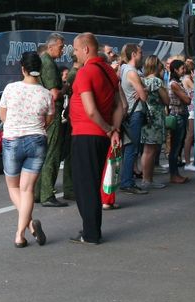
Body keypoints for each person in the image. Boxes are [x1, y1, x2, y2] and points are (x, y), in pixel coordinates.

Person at [68, 32, 125, 245]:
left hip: (85, 135)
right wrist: (114, 129)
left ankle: (90, 233)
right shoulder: (109, 71)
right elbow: (121, 105)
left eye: (75, 50)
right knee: (92, 182)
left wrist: (109, 129)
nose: (74, 54)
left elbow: (90, 110)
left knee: (86, 185)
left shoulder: (85, 73)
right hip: (101, 137)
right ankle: (91, 230)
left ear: (85, 49)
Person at [0, 51, 53, 248]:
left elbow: (3, 116)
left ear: (23, 68)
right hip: (37, 140)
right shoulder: (46, 94)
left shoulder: (10, 89)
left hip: (12, 140)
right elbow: (48, 120)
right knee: (27, 189)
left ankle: (26, 230)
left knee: (14, 187)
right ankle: (22, 232)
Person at [37, 33, 72, 208]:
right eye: (60, 46)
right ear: (51, 47)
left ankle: (38, 192)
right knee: (52, 153)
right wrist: (66, 86)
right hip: (52, 113)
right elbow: (54, 93)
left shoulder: (44, 61)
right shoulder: (49, 64)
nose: (62, 50)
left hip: (44, 113)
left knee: (43, 153)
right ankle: (47, 195)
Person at [117, 43, 148, 195]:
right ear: (134, 54)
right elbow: (143, 96)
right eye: (140, 52)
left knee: (129, 149)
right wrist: (143, 88)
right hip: (134, 113)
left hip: (128, 113)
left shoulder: (122, 69)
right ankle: (127, 182)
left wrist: (142, 88)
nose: (142, 55)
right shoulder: (132, 72)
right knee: (132, 149)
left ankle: (126, 180)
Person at [138, 55, 170, 191]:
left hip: (147, 117)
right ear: (157, 66)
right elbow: (167, 100)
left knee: (147, 149)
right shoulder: (156, 81)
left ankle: (146, 179)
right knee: (151, 150)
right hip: (155, 118)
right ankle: (147, 180)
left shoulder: (143, 80)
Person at [166, 59, 191, 184]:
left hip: (181, 116)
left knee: (177, 146)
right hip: (178, 117)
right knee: (175, 147)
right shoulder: (174, 84)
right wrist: (188, 96)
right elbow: (187, 100)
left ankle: (175, 174)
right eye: (182, 68)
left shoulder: (177, 82)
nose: (184, 70)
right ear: (175, 70)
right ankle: (174, 174)